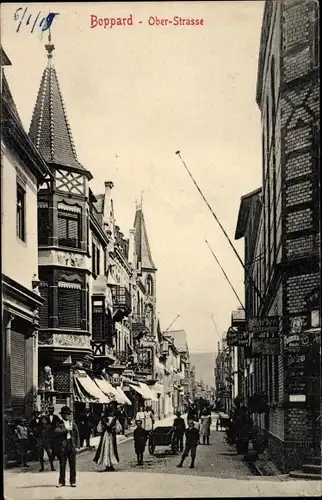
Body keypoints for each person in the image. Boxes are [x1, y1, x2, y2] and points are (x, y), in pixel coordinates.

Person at [55, 406, 80, 487]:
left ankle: (73, 481)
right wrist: (66, 430)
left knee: (73, 465)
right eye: (64, 414)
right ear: (61, 415)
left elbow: (77, 436)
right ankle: (61, 482)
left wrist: (77, 446)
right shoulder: (59, 424)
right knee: (62, 465)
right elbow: (57, 432)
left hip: (71, 445)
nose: (66, 415)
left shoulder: (73, 424)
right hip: (63, 446)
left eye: (68, 414)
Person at [93, 405, 120, 472]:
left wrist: (104, 429)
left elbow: (99, 429)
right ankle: (111, 464)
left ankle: (107, 465)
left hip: (105, 436)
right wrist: (113, 429)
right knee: (112, 449)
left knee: (105, 449)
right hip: (111, 435)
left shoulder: (103, 420)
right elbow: (119, 429)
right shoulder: (114, 419)